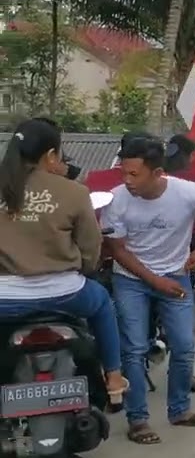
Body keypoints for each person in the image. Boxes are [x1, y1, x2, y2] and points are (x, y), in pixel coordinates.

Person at [101, 137, 195, 445]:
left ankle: (180, 410)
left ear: (158, 173)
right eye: (124, 173)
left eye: (134, 174)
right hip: (131, 280)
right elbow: (116, 249)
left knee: (184, 346)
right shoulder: (117, 199)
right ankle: (138, 420)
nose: (127, 181)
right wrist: (155, 282)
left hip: (176, 276)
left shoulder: (188, 192)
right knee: (134, 348)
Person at [0, 119, 128, 407]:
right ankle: (114, 378)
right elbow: (91, 248)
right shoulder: (73, 191)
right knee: (103, 303)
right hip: (65, 293)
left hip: (5, 300)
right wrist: (84, 269)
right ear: (50, 156)